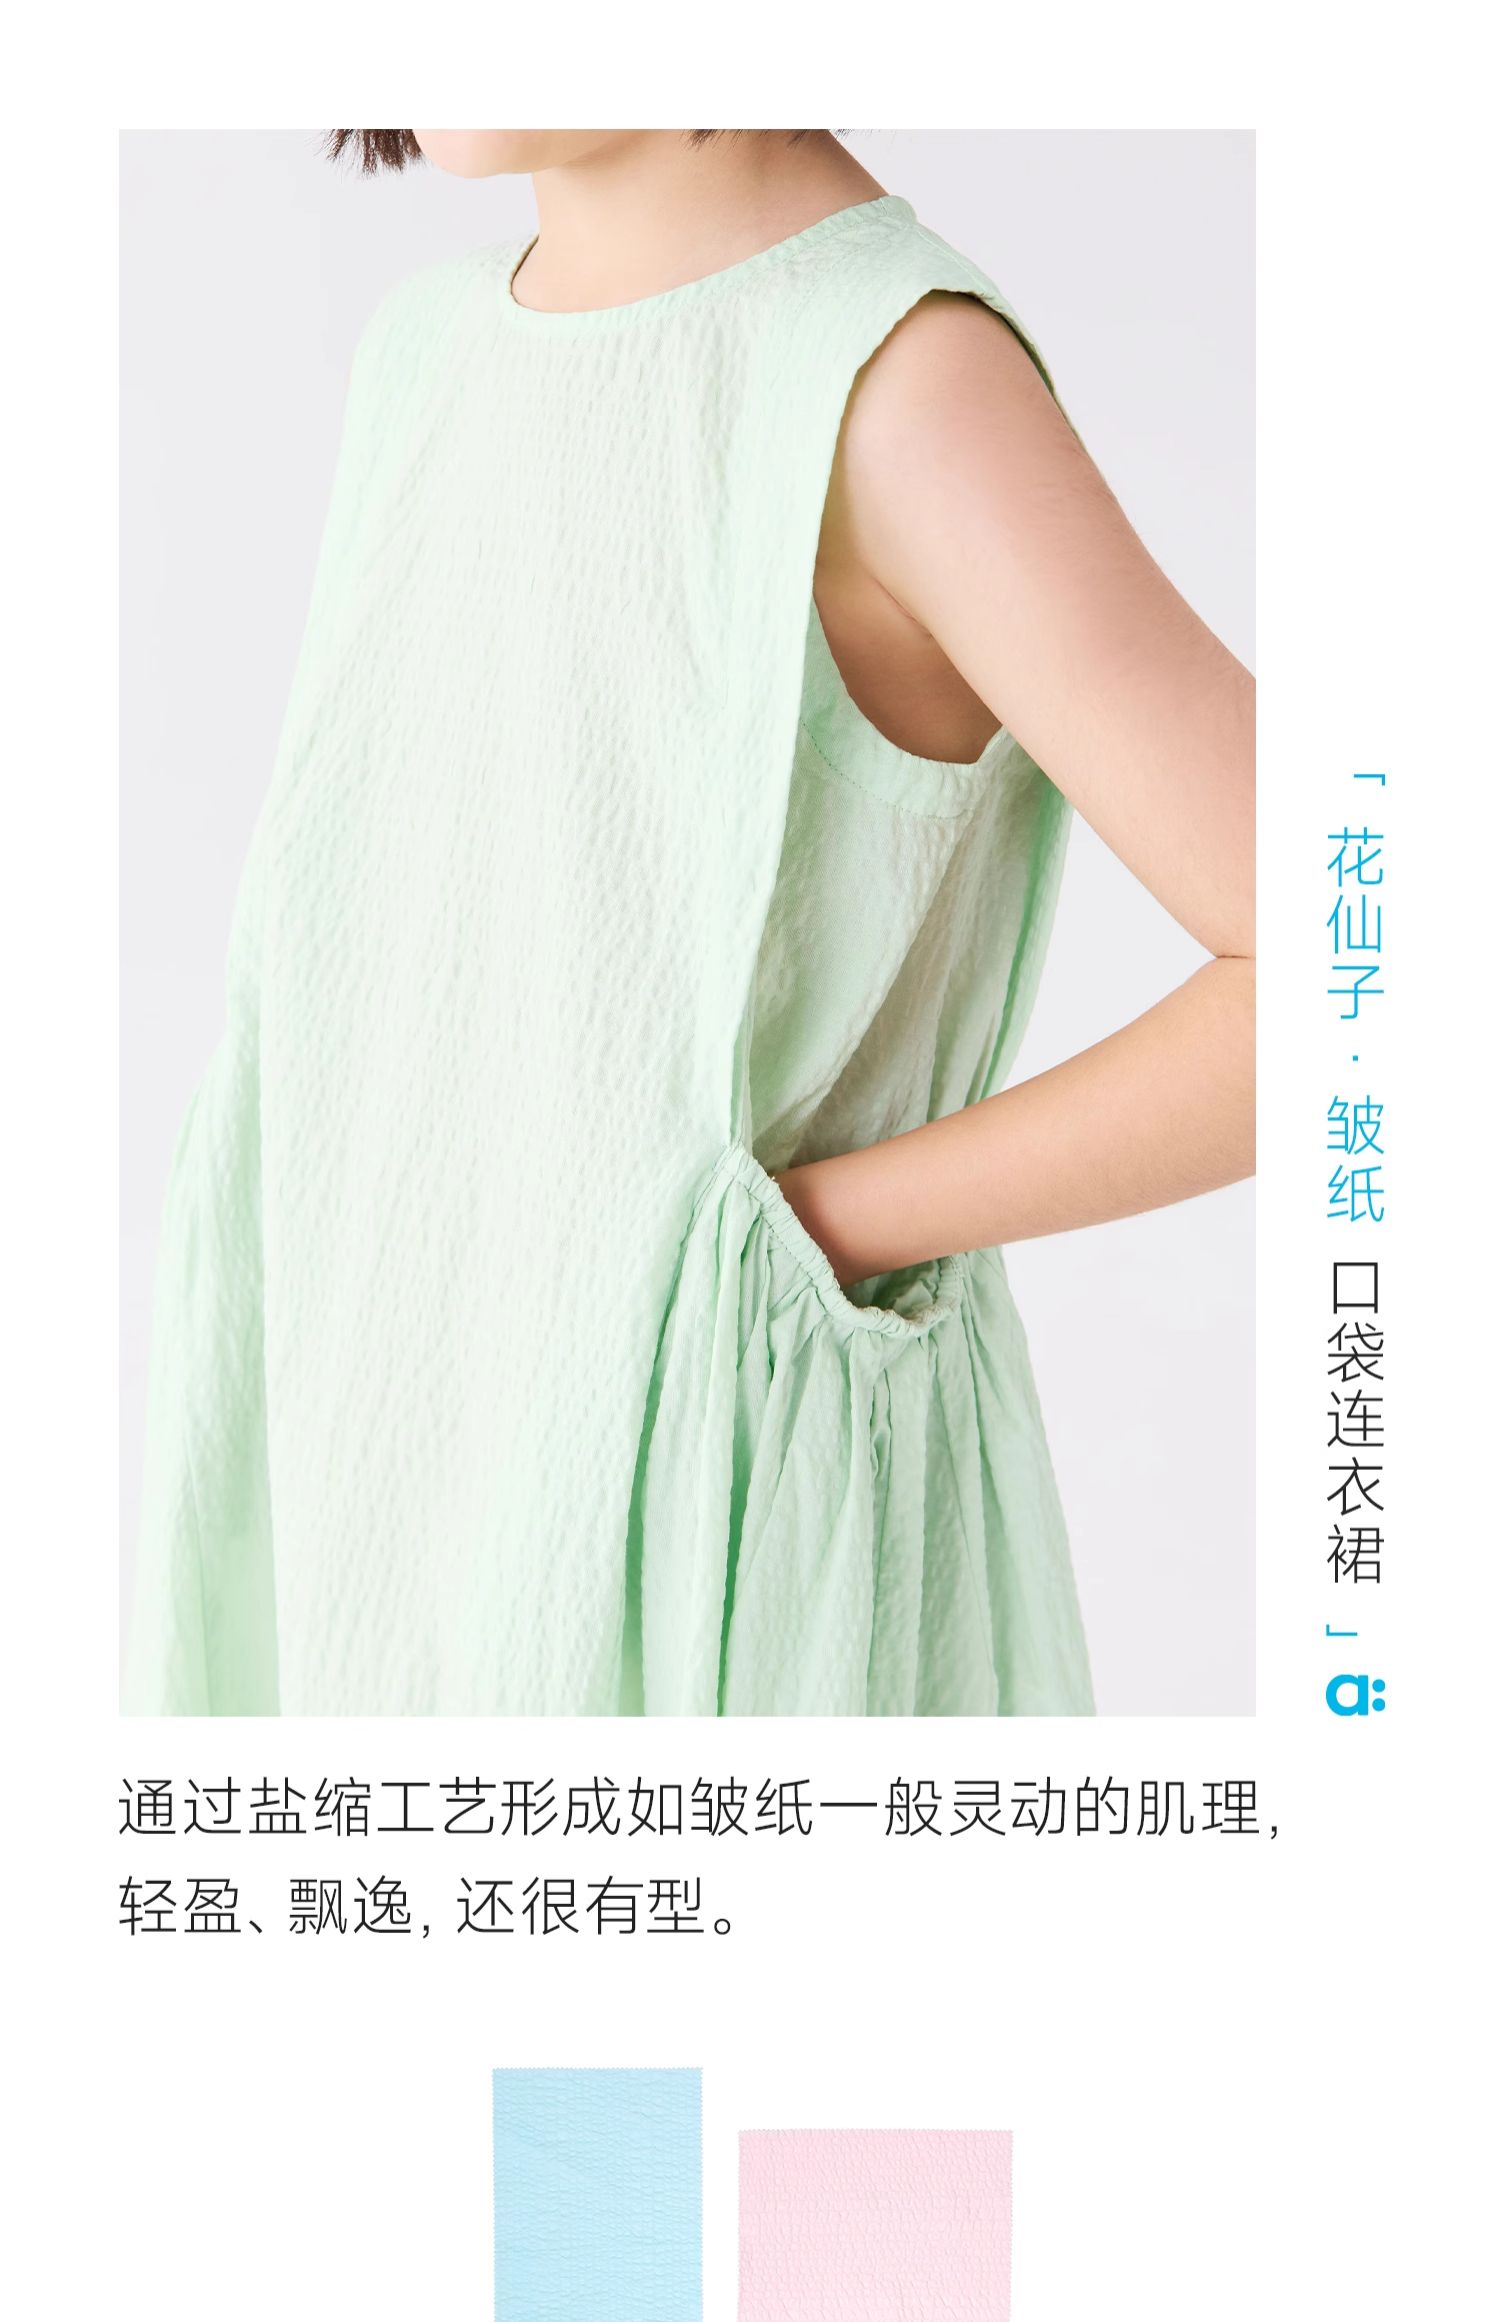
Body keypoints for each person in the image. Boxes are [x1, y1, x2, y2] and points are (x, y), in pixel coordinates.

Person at [127, 129, 1253, 1718]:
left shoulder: (895, 394)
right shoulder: (423, 351)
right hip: (368, 1480)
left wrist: (821, 1229)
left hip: (707, 1537)